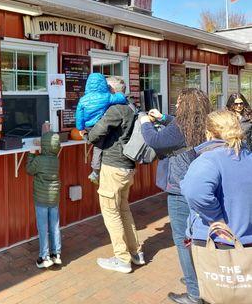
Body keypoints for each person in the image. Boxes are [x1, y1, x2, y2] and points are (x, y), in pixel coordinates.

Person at [140, 88, 211, 304]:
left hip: (180, 189)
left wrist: (144, 121)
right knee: (199, 237)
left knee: (183, 239)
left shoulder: (179, 128)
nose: (177, 106)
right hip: (201, 187)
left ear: (185, 106)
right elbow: (175, 127)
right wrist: (163, 118)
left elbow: (154, 139)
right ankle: (199, 280)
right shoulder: (206, 123)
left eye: (179, 103)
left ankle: (194, 292)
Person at [87, 76, 143, 274]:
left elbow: (95, 134)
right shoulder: (132, 107)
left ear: (111, 91)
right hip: (128, 166)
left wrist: (85, 132)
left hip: (113, 166)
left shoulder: (115, 109)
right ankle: (136, 253)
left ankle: (122, 259)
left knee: (111, 212)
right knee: (123, 209)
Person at [181, 110, 252, 248]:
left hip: (218, 243)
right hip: (246, 242)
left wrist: (216, 220)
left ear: (209, 133)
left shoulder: (209, 159)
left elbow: (194, 192)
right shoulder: (248, 156)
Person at [75, 73, 128, 184]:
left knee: (97, 146)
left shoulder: (83, 100)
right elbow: (121, 97)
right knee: (98, 148)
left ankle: (95, 171)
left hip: (89, 127)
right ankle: (95, 171)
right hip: (100, 124)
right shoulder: (106, 97)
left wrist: (80, 128)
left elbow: (79, 115)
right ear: (103, 85)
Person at [26, 131, 62, 269]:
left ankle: (44, 257)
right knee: (54, 226)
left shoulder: (39, 160)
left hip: (41, 198)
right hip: (54, 198)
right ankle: (56, 254)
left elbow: (29, 169)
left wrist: (31, 153)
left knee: (43, 227)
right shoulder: (56, 159)